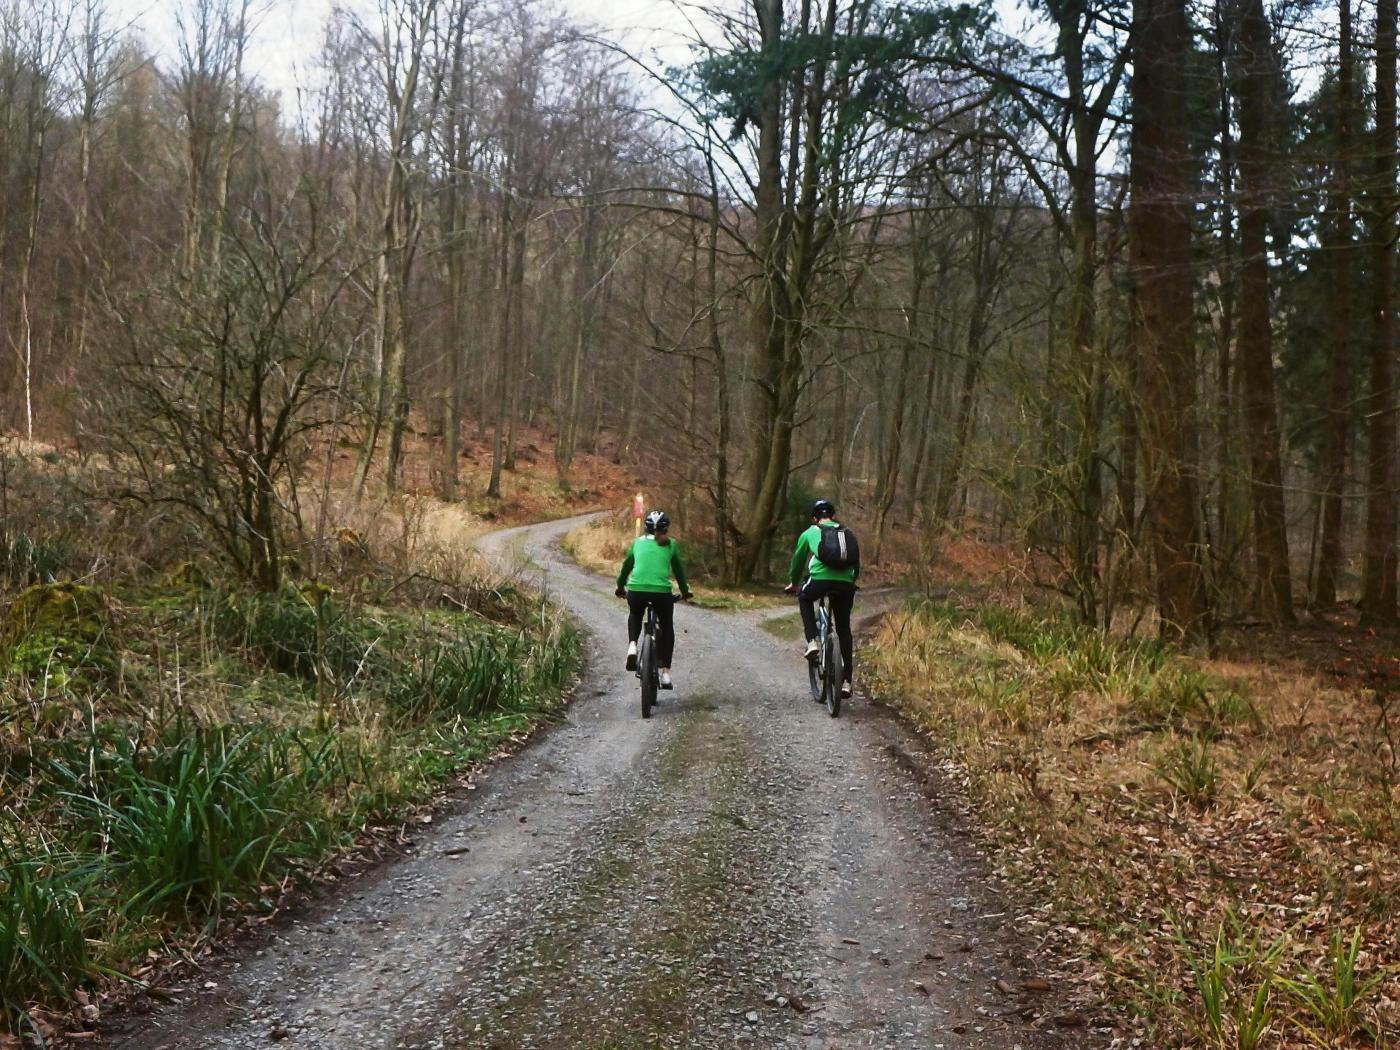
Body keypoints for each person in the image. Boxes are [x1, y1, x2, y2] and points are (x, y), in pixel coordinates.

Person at [784, 498, 858, 699]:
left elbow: (798, 561)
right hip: (846, 584)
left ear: (815, 518)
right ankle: (847, 681)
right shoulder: (848, 533)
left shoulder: (811, 532)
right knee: (843, 628)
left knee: (805, 597)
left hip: (819, 581)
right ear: (833, 516)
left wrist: (793, 582)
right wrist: (850, 583)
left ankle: (812, 641)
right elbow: (855, 564)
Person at [616, 510, 692, 689]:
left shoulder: (637, 543)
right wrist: (685, 591)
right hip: (661, 593)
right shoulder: (671, 544)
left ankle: (633, 645)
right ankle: (666, 673)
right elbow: (679, 572)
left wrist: (620, 587)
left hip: (636, 590)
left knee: (635, 614)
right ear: (666, 528)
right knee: (667, 627)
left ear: (646, 527)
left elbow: (626, 567)